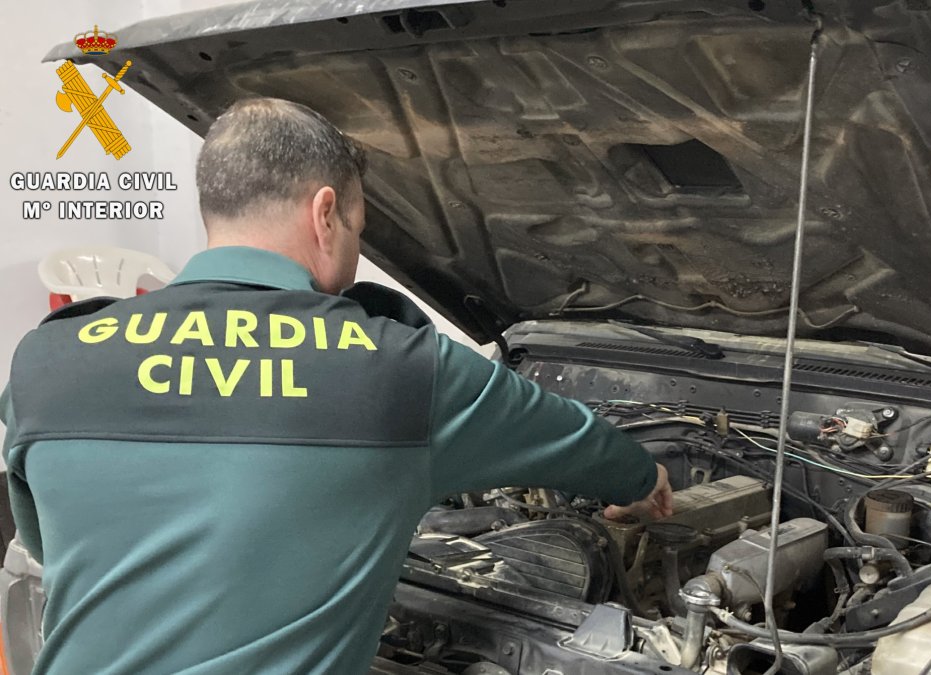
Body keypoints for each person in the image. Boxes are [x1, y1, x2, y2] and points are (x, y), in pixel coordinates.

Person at [1, 97, 672, 675]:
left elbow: (49, 546)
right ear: (325, 213)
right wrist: (643, 481)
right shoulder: (402, 369)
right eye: (357, 226)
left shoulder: (47, 357)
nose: (353, 247)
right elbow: (580, 443)